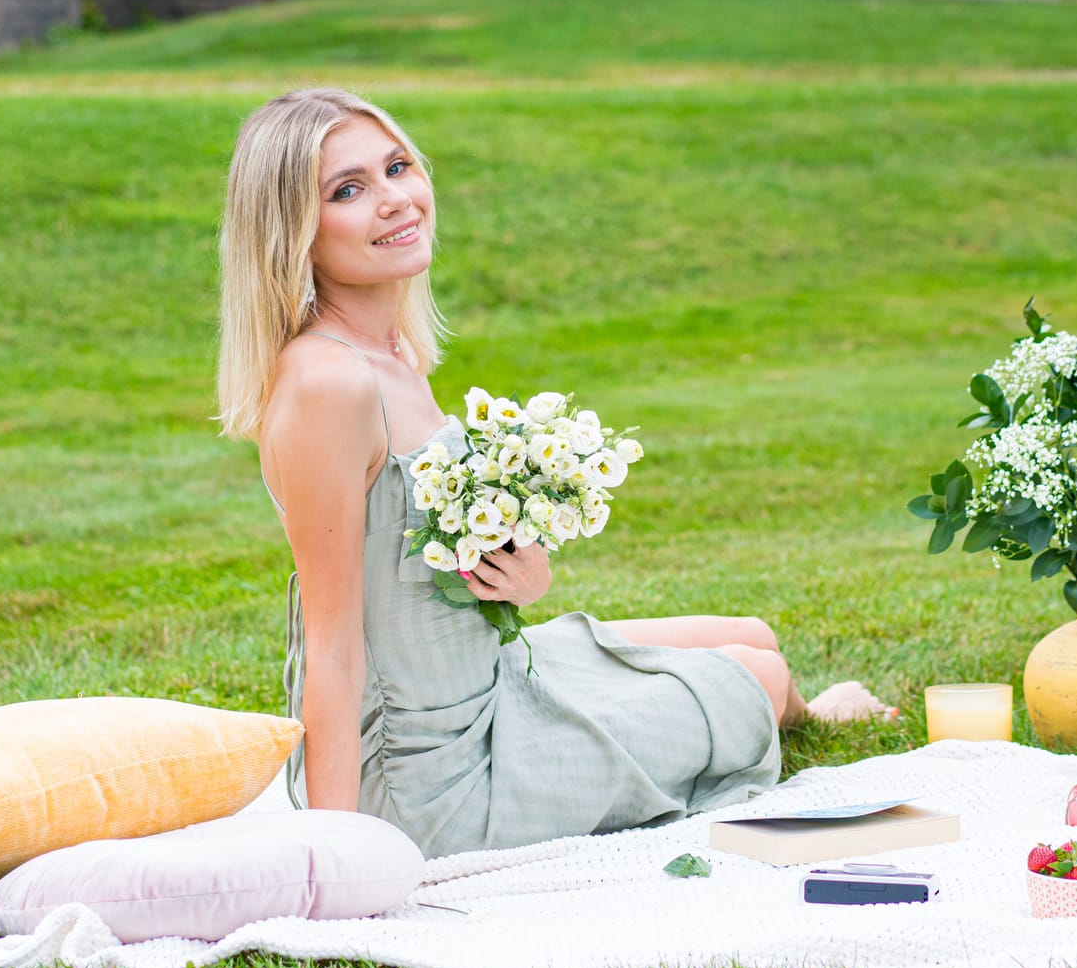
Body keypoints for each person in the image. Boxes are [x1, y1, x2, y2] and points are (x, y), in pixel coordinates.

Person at [216, 88, 896, 860]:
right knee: (756, 675)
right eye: (349, 190)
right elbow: (332, 647)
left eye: (397, 167)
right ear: (294, 234)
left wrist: (521, 578)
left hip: (495, 677)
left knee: (749, 634)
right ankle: (803, 709)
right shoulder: (326, 385)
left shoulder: (392, 353)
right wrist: (337, 860)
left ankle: (808, 713)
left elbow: (412, 561)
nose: (395, 199)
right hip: (430, 779)